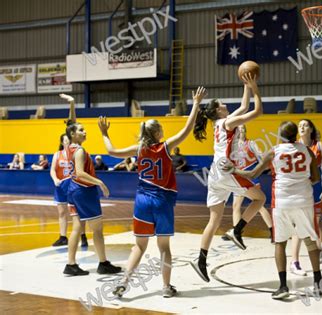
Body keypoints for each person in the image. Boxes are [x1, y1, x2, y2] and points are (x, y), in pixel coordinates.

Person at [99, 86, 206, 298]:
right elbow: (187, 128)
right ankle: (166, 287)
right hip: (162, 201)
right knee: (164, 247)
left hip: (142, 201)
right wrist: (195, 104)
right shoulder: (165, 147)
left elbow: (111, 151)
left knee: (139, 246)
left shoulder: (138, 149)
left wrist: (104, 133)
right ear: (157, 133)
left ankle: (123, 282)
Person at [223, 121, 322, 300]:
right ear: (295, 135)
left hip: (282, 202)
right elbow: (315, 178)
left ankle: (283, 286)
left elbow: (253, 174)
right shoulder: (308, 151)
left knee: (280, 243)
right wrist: (299, 182)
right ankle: (318, 283)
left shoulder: (273, 152)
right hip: (304, 200)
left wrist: (234, 170)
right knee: (310, 241)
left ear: (281, 136)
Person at [191, 74, 266, 283]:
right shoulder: (227, 122)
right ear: (217, 110)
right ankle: (237, 230)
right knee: (260, 199)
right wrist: (256, 88)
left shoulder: (221, 123)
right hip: (226, 171)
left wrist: (246, 86)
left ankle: (201, 261)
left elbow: (244, 106)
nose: (225, 104)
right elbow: (257, 111)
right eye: (221, 103)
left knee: (213, 220)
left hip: (215, 173)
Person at [64, 122, 121, 276]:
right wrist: (100, 183)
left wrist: (71, 103)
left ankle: (71, 264)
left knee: (77, 228)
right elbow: (81, 173)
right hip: (84, 191)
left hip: (72, 189)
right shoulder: (80, 150)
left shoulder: (68, 148)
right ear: (73, 134)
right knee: (97, 229)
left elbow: (69, 125)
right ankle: (103, 263)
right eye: (81, 130)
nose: (85, 131)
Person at [289, 119, 322, 277]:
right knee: (298, 225)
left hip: (314, 188)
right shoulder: (293, 145)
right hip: (299, 189)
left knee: (316, 222)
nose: (301, 126)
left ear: (311, 129)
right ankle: (294, 262)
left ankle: (319, 247)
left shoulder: (319, 145)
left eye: (305, 124)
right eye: (299, 125)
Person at [223, 125, 273, 242]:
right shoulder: (233, 145)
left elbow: (261, 158)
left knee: (259, 206)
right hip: (238, 179)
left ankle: (272, 230)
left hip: (250, 177)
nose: (241, 131)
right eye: (239, 129)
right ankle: (236, 232)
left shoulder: (251, 143)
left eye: (243, 129)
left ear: (246, 131)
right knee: (236, 206)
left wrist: (260, 169)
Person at [50, 134, 88, 247]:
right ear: (62, 143)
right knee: (62, 213)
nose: (68, 143)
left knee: (78, 213)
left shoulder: (77, 153)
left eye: (69, 141)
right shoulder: (57, 154)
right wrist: (55, 179)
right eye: (66, 141)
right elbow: (52, 170)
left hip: (74, 186)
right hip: (61, 186)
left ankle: (83, 235)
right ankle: (63, 237)